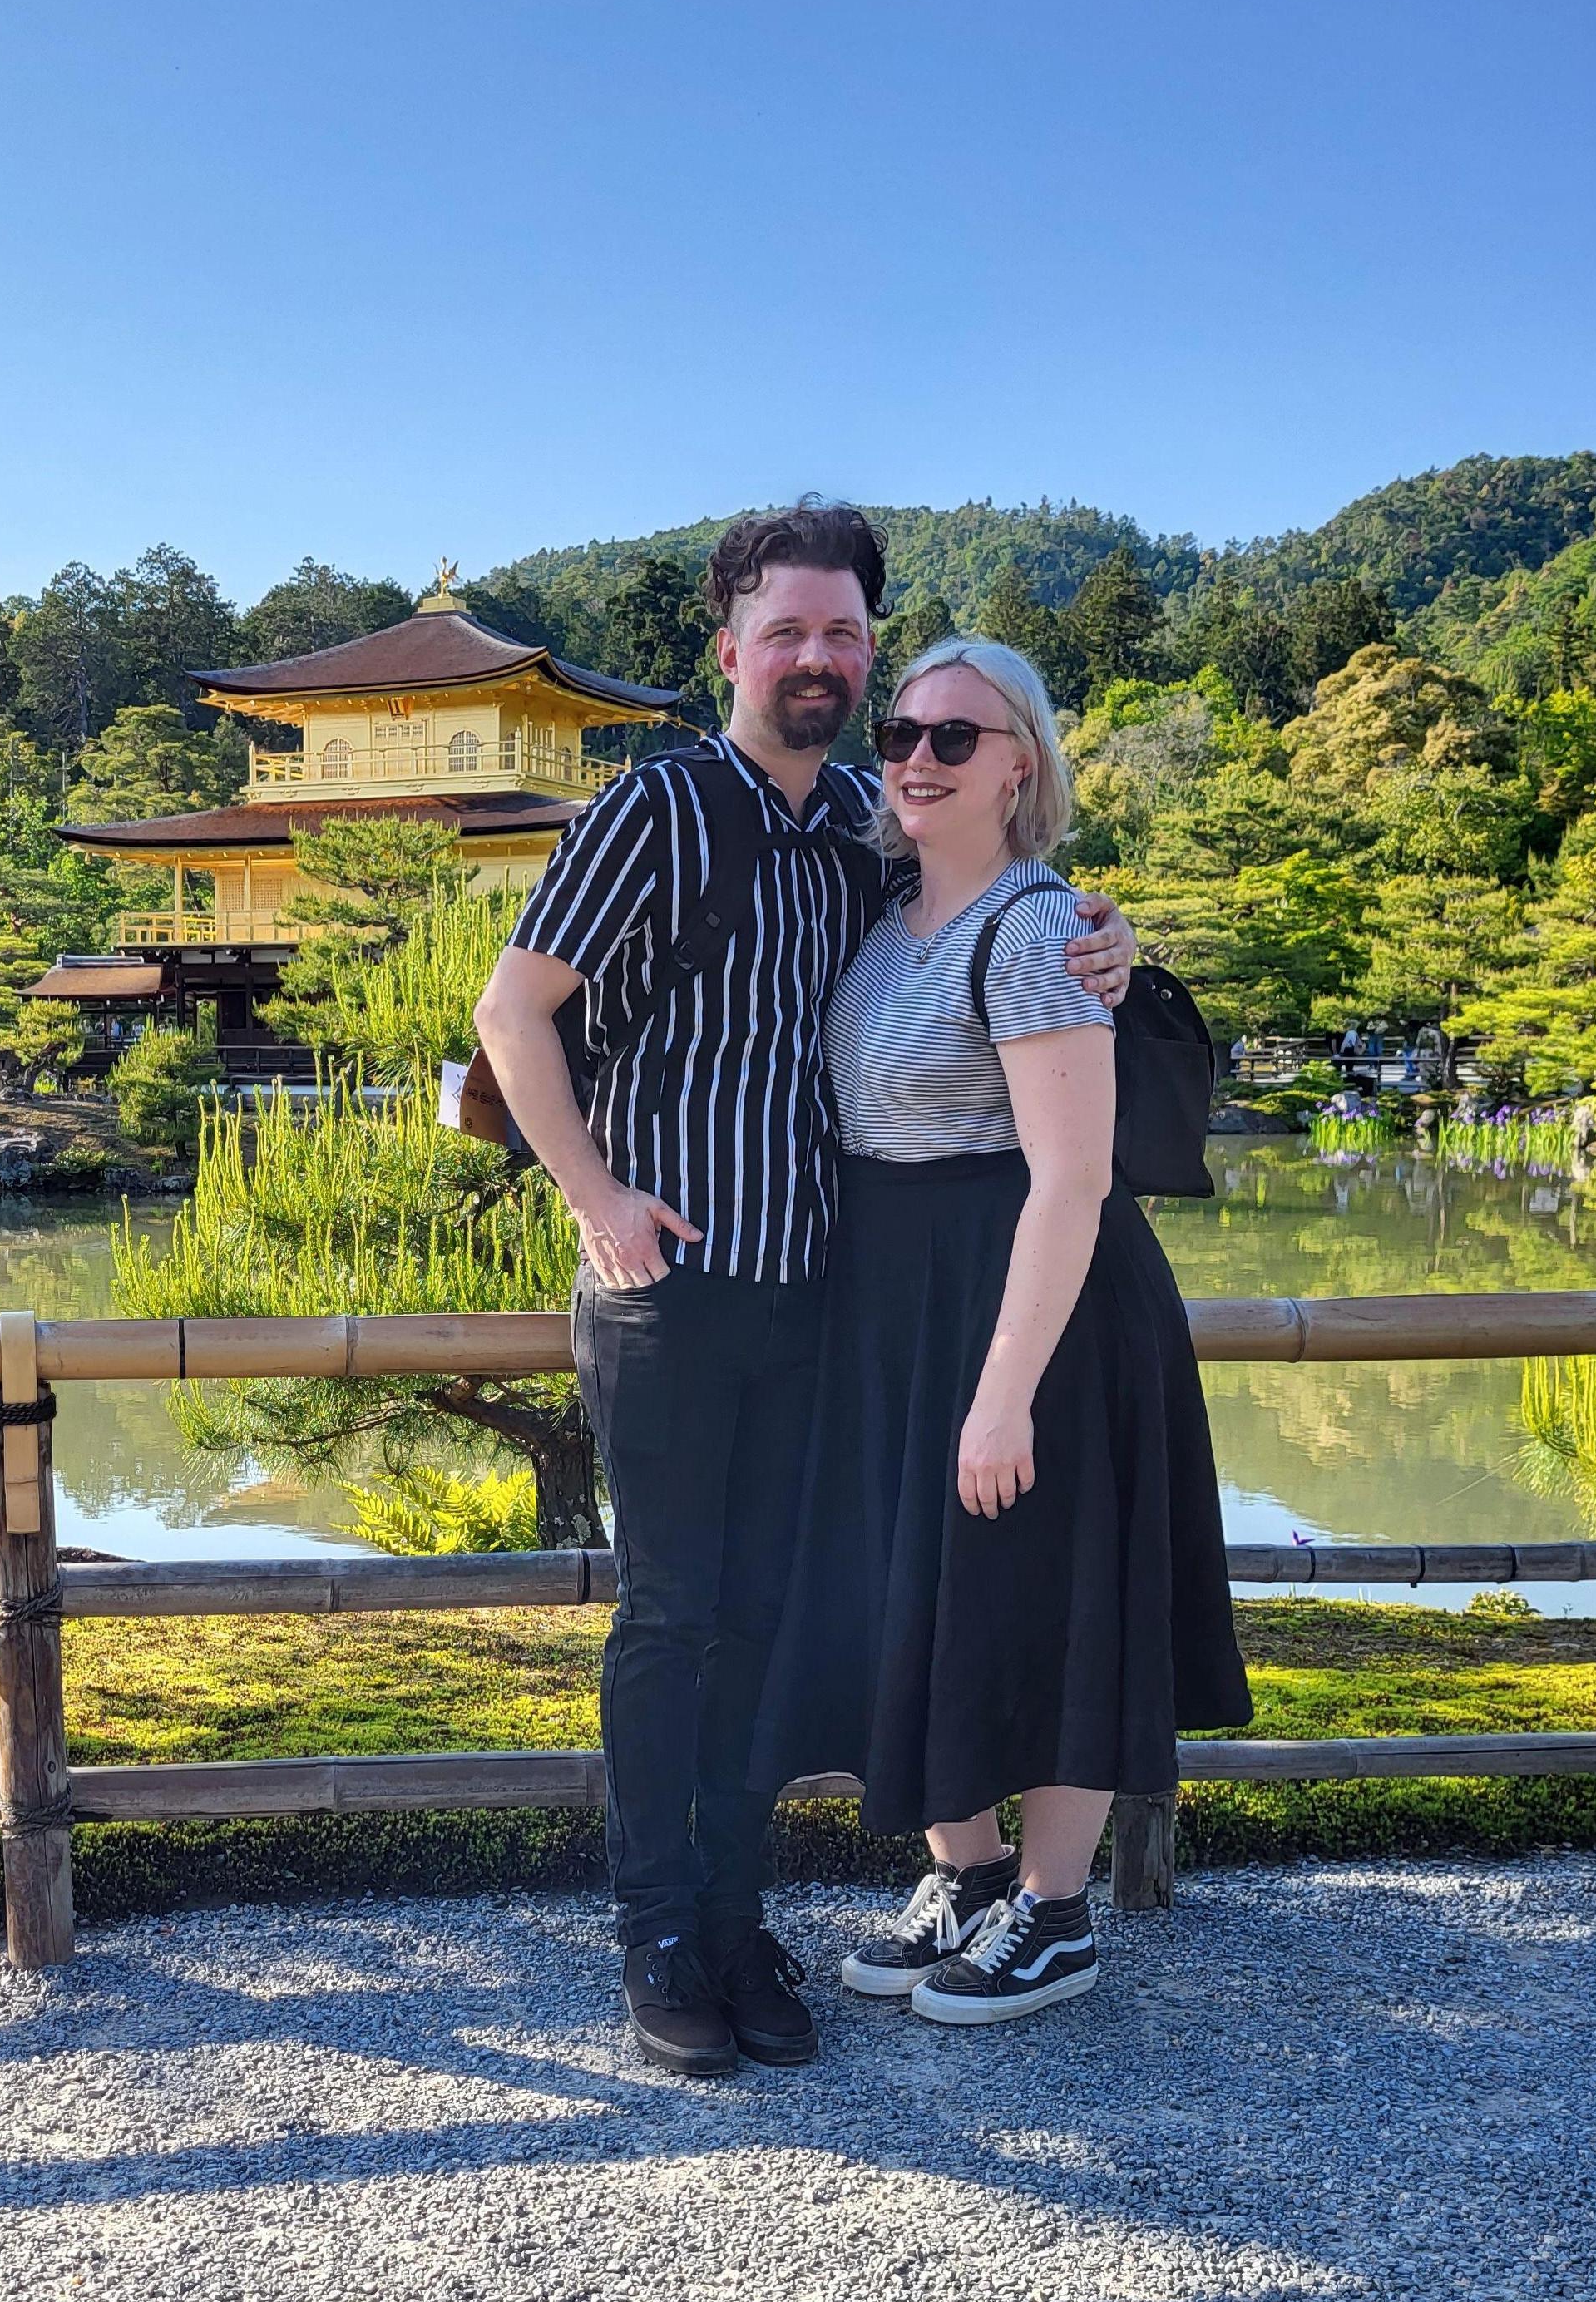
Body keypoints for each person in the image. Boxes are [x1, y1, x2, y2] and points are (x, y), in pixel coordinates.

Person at [472, 507, 1137, 2076]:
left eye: (846, 638)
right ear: (729, 649)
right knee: (671, 1618)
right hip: (668, 1290)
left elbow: (997, 907)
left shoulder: (863, 814)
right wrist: (594, 1194)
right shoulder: (652, 808)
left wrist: (1105, 940)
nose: (822, 662)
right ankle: (655, 1930)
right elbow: (512, 1014)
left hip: (820, 1293)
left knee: (768, 1625)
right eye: (788, 633)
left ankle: (737, 1914)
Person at [752, 636, 1252, 2025]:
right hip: (905, 1298)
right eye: (903, 731)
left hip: (1034, 1300)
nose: (917, 755)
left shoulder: (1034, 930)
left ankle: (1053, 1909)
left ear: (1018, 762)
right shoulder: (884, 905)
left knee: (1045, 1586)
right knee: (922, 1583)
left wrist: (1001, 1392)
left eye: (956, 738)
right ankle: (964, 1880)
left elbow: (1073, 1174)